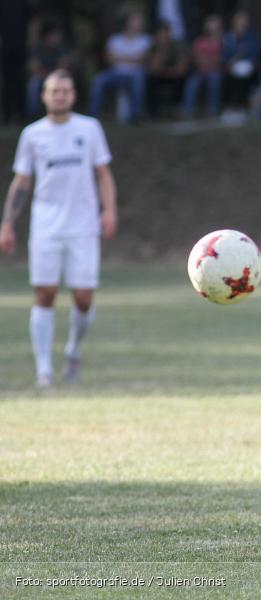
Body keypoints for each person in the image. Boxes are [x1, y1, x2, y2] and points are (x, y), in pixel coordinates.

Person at [0, 70, 117, 388]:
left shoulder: (89, 129)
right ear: (44, 95)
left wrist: (109, 210)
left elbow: (102, 174)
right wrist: (8, 223)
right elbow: (22, 181)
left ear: (74, 95)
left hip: (83, 225)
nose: (60, 96)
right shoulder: (32, 135)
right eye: (54, 91)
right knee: (45, 292)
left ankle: (73, 351)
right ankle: (44, 371)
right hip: (46, 225)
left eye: (65, 90)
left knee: (82, 298)